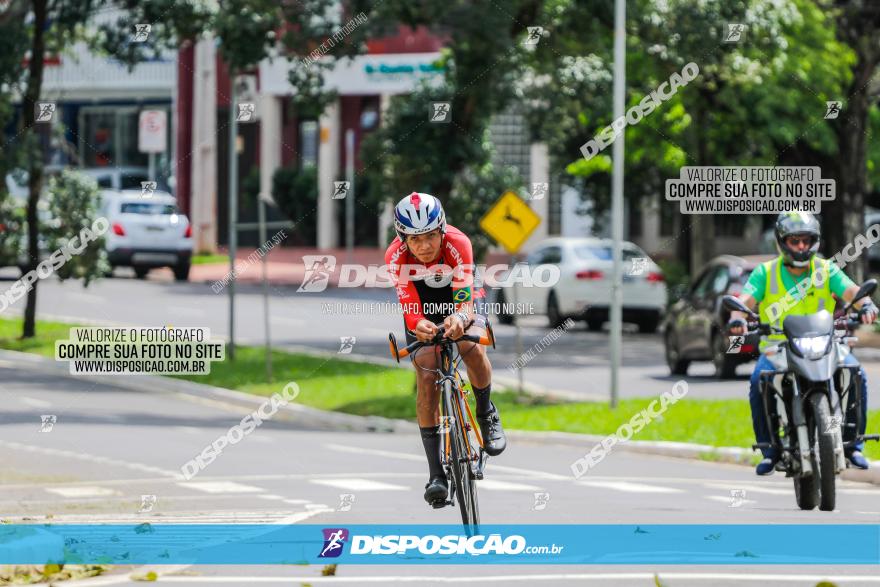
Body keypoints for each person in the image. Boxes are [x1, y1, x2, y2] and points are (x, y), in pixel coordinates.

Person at [728, 212, 878, 475]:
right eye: (794, 241)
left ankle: (853, 445)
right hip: (779, 346)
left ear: (815, 242)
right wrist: (737, 320)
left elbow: (853, 292)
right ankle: (770, 450)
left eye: (806, 241)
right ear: (781, 242)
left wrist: (866, 305)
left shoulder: (826, 269)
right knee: (757, 381)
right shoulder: (765, 272)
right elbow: (743, 304)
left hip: (826, 343)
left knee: (857, 374)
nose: (801, 247)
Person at [384, 192, 507, 506]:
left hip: (459, 295)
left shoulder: (458, 243)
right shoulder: (395, 257)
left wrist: (460, 317)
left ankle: (486, 412)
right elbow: (411, 309)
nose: (424, 246)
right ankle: (436, 473)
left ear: (441, 230)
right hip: (422, 303)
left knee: (471, 345)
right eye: (414, 239)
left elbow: (465, 301)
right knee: (426, 372)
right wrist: (420, 325)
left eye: (430, 236)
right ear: (402, 240)